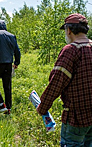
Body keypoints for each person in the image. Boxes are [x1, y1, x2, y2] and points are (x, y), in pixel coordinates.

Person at [36, 13, 92, 146]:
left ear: (69, 30)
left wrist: (42, 107)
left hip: (76, 118)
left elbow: (57, 83)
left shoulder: (71, 50)